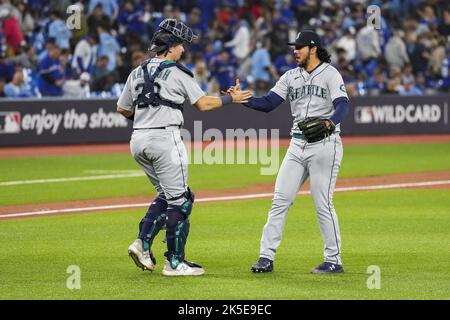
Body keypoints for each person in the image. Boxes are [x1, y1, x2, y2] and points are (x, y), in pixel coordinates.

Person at [116, 18, 252, 276]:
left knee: (168, 195)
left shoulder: (137, 71)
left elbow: (122, 108)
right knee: (182, 200)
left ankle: (142, 243)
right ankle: (174, 262)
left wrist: (146, 119)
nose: (183, 50)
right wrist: (230, 98)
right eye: (180, 45)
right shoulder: (178, 72)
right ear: (170, 46)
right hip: (165, 140)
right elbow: (203, 104)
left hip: (138, 140)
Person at [227, 30, 350, 274]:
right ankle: (266, 257)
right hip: (297, 145)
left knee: (322, 202)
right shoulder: (290, 76)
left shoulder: (330, 73)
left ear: (313, 49)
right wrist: (242, 100)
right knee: (280, 200)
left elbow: (343, 105)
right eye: (295, 47)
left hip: (325, 144)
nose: (295, 50)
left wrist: (329, 122)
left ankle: (334, 260)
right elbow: (268, 104)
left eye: (300, 47)